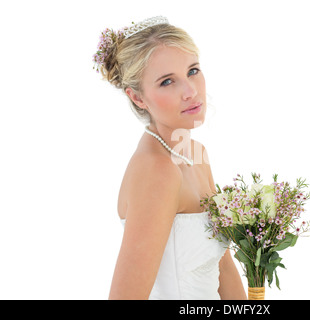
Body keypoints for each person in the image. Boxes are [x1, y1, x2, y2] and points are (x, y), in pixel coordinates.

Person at [93, 16, 247, 300]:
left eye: (192, 71)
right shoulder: (157, 170)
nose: (190, 91)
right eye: (167, 82)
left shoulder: (196, 154)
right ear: (138, 98)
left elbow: (222, 267)